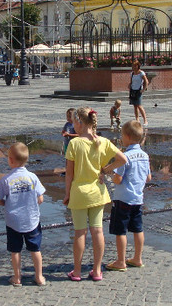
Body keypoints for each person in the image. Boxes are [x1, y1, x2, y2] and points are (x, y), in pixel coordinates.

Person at [64, 107, 127, 282]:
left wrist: (66, 194)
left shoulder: (74, 144)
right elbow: (123, 159)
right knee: (97, 231)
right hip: (98, 192)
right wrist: (106, 170)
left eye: (75, 122)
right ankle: (97, 270)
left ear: (80, 123)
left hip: (79, 192)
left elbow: (69, 174)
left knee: (80, 232)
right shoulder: (103, 141)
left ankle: (77, 271)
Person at [0, 142, 46, 287]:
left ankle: (17, 277)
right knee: (35, 249)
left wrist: (6, 204)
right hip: (32, 219)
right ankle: (39, 276)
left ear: (10, 159)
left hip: (13, 220)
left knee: (15, 250)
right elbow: (40, 198)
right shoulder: (32, 177)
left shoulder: (6, 180)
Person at [105, 120, 152, 272]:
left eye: (121, 136)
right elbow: (148, 178)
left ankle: (120, 261)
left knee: (120, 231)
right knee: (138, 229)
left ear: (126, 136)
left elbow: (118, 179)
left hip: (123, 198)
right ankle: (137, 258)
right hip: (138, 198)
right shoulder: (144, 155)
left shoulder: (125, 156)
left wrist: (109, 175)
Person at [129, 60, 149, 126]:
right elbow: (131, 81)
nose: (134, 67)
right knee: (135, 106)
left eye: (135, 66)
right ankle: (137, 119)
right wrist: (129, 85)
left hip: (138, 90)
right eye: (133, 66)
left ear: (138, 66)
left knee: (139, 105)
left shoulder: (141, 73)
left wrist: (143, 89)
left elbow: (146, 81)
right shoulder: (132, 73)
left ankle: (145, 120)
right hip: (133, 90)